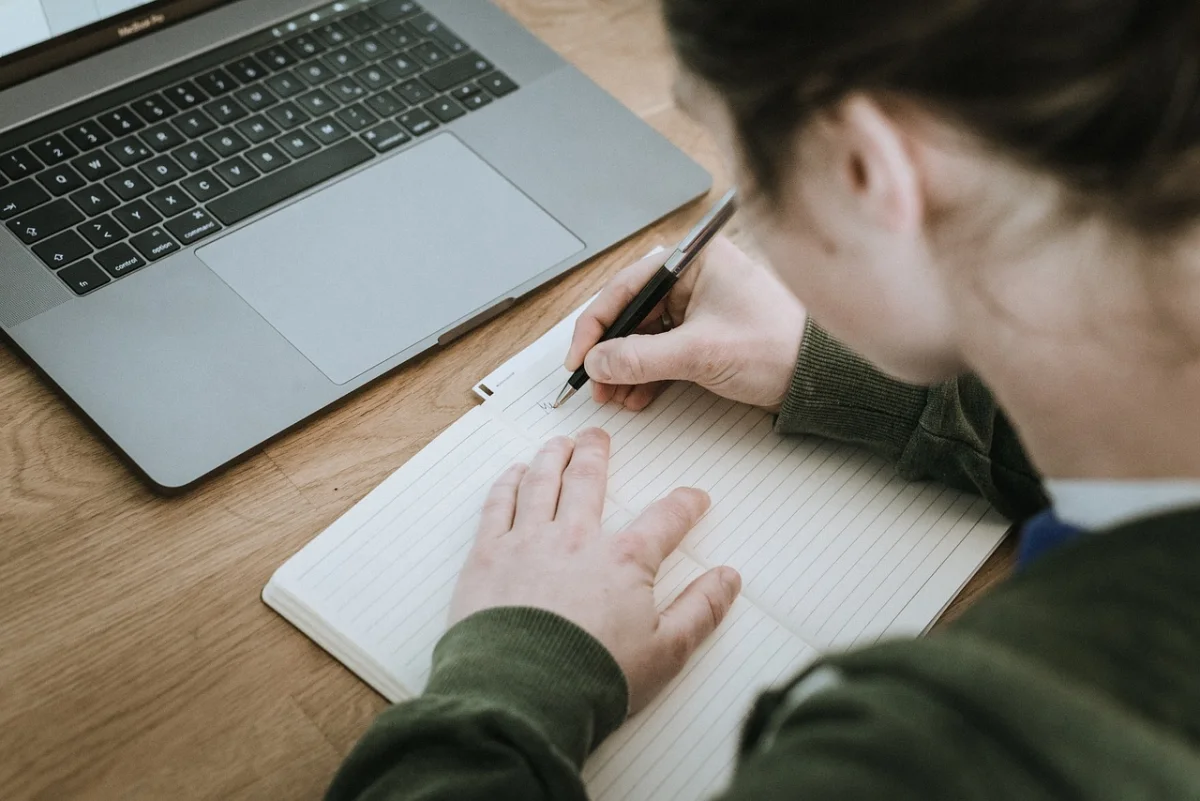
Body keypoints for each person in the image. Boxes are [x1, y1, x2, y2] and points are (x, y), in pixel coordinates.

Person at [326, 0, 1200, 797]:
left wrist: (518, 674)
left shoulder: (924, 759)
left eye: (733, 161)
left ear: (867, 171)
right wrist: (862, 369)